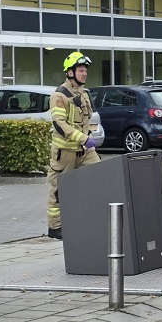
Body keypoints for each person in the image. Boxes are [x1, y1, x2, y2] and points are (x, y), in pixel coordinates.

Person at [45, 51, 101, 239]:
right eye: (80, 70)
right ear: (70, 72)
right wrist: (82, 138)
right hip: (65, 152)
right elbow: (60, 124)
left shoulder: (84, 94)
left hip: (85, 151)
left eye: (85, 70)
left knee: (102, 175)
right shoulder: (59, 96)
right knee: (59, 191)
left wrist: (88, 139)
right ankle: (55, 227)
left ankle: (90, 217)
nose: (84, 73)